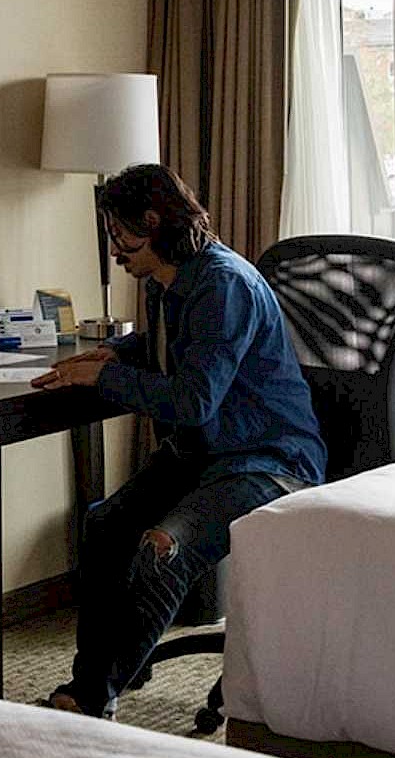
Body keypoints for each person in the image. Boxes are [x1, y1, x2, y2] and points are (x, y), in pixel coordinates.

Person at [30, 163, 325, 719]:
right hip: (203, 452)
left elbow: (193, 401)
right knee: (104, 526)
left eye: (121, 236)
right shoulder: (169, 281)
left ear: (152, 222)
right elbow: (181, 348)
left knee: (162, 550)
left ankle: (93, 699)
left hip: (265, 460)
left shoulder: (223, 284)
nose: (115, 251)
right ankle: (102, 676)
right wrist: (119, 353)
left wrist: (106, 378)